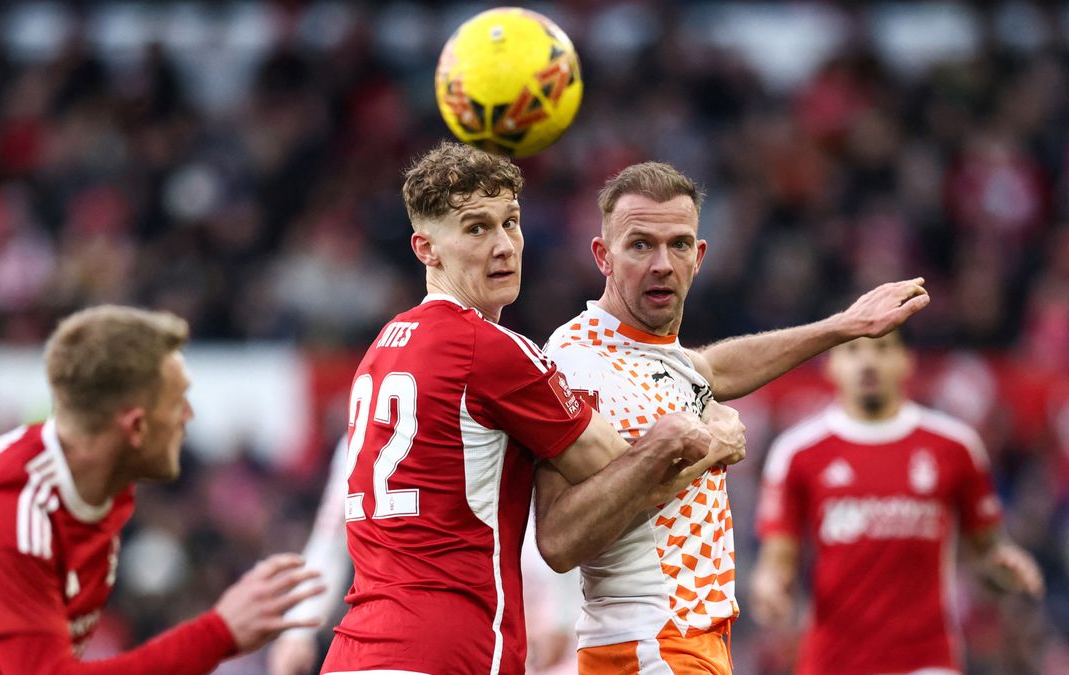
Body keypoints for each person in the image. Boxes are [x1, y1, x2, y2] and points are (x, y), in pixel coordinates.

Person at [319, 142, 733, 675]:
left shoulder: (381, 349)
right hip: (447, 649)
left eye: (510, 223)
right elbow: (624, 473)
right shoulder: (492, 349)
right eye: (476, 229)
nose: (504, 246)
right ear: (426, 249)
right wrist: (708, 437)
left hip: (355, 651)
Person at [538, 162, 931, 674]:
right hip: (648, 645)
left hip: (688, 645)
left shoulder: (657, 354)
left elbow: (713, 368)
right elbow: (559, 539)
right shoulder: (577, 361)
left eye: (678, 244)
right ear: (602, 256)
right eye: (640, 245)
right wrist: (708, 449)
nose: (662, 264)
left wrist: (843, 326)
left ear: (699, 257)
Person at [0, 305, 324, 674]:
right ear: (136, 426)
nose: (189, 417)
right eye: (178, 400)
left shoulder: (101, 487)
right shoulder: (8, 514)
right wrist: (217, 633)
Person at [750, 331, 1044, 675]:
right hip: (833, 660)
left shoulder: (954, 446)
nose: (868, 361)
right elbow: (777, 560)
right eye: (853, 350)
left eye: (882, 348)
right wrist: (770, 588)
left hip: (926, 659)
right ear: (830, 365)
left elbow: (986, 548)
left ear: (907, 361)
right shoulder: (798, 452)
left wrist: (1002, 566)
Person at [270, 436, 582, 675]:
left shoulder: (490, 400)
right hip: (419, 628)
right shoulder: (366, 430)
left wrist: (560, 616)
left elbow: (550, 523)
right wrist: (299, 627)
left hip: (513, 622)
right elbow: (333, 535)